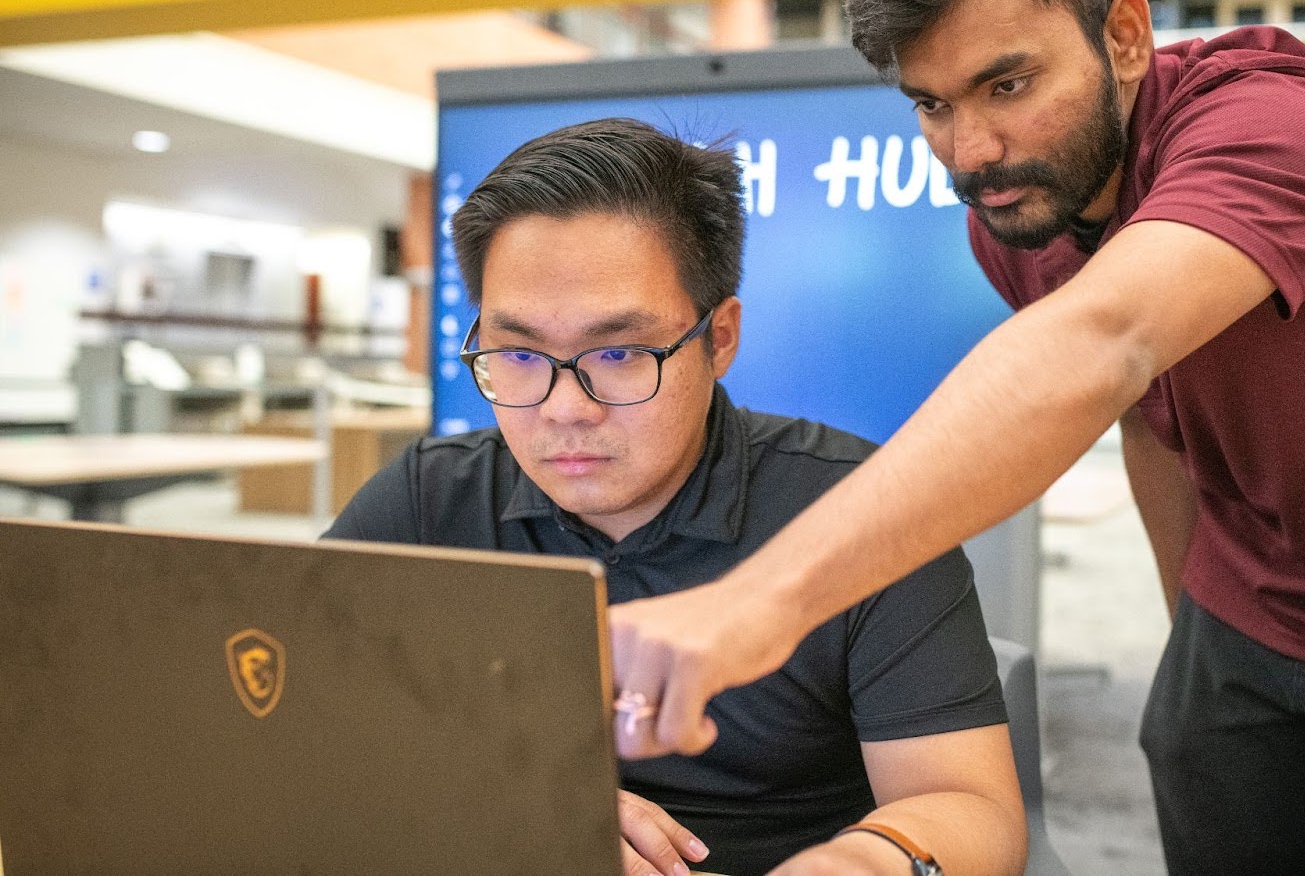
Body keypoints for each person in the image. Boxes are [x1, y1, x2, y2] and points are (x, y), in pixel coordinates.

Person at [607, 0, 1305, 875]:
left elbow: (1101, 344)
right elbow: (1148, 412)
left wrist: (758, 600)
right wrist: (1197, 634)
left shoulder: (1276, 125)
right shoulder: (1018, 213)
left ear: (1123, 37)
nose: (972, 149)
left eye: (1007, 83)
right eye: (932, 104)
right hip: (1248, 591)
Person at [325, 118, 1024, 876]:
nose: (564, 408)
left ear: (719, 337)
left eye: (620, 352)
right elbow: (297, 724)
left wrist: (853, 867)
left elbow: (971, 809)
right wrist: (529, 802)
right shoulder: (430, 500)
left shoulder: (863, 511)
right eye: (520, 354)